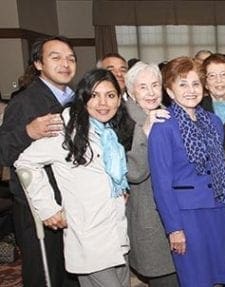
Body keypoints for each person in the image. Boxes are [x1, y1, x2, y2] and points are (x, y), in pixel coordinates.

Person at [14, 69, 134, 286]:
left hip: (116, 234)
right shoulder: (66, 133)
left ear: (119, 100)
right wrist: (47, 207)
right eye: (94, 95)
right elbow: (25, 162)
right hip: (89, 237)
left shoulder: (111, 135)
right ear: (83, 98)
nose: (103, 103)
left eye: (110, 95)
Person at [148, 56, 225, 286]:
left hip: (218, 210)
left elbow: (222, 167)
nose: (190, 90)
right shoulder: (163, 127)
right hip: (187, 216)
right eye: (182, 84)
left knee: (220, 278)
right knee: (196, 280)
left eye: (195, 83)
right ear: (170, 91)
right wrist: (174, 229)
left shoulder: (213, 122)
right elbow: (161, 185)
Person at [0, 35, 78, 287]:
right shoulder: (24, 101)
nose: (65, 63)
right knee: (45, 275)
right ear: (39, 64)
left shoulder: (77, 100)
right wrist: (28, 132)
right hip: (37, 207)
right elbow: (3, 151)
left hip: (72, 200)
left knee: (73, 272)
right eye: (55, 57)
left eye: (70, 58)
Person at [124, 62, 179, 286]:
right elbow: (134, 172)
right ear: (131, 92)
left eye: (155, 85)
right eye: (143, 87)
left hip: (177, 214)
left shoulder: (170, 115)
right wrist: (145, 131)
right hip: (150, 219)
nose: (151, 92)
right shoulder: (124, 121)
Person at [199, 53, 225, 123]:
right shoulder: (198, 108)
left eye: (223, 74)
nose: (219, 80)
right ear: (206, 83)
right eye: (212, 75)